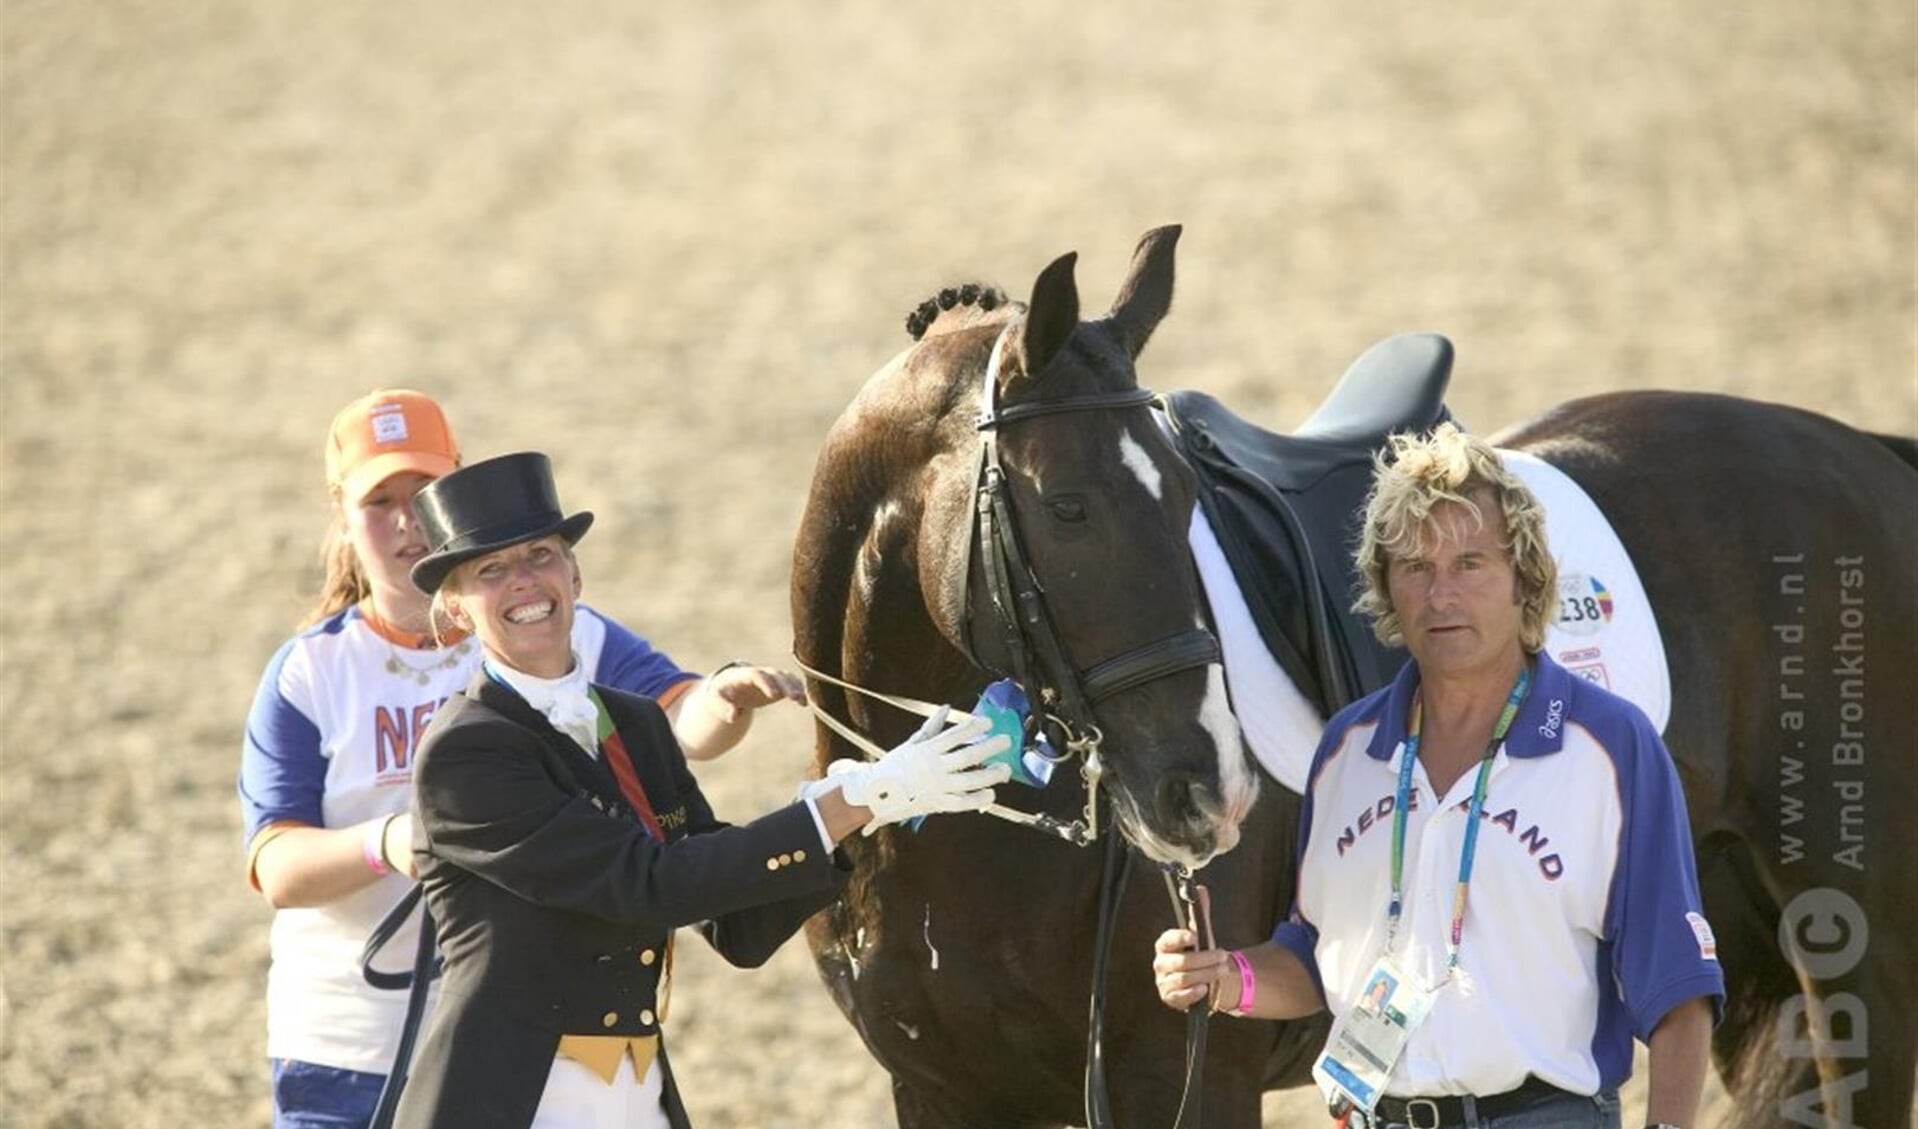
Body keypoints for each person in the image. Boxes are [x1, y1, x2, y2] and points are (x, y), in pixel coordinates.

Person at [238, 390, 804, 1129]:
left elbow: (675, 729)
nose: (406, 518)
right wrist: (391, 840)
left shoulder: (554, 627)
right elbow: (275, 863)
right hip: (350, 1037)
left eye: (422, 491)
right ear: (341, 514)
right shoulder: (310, 670)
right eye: (381, 500)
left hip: (519, 1040)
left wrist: (724, 700)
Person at [389, 452, 1008, 1128]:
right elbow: (647, 881)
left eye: (540, 554)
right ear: (455, 607)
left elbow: (738, 923)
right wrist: (854, 800)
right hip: (511, 1100)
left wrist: (874, 804)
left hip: (636, 1093)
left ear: (574, 571)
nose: (525, 582)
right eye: (491, 570)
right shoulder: (465, 753)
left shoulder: (634, 723)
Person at [1152, 424, 1722, 1129]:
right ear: (1387, 590)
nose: (1440, 594)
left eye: (1470, 562)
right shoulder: (1344, 751)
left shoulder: (1609, 744)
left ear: (1526, 578)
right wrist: (1225, 977)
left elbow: (1678, 986)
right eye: (1415, 567)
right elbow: (1316, 953)